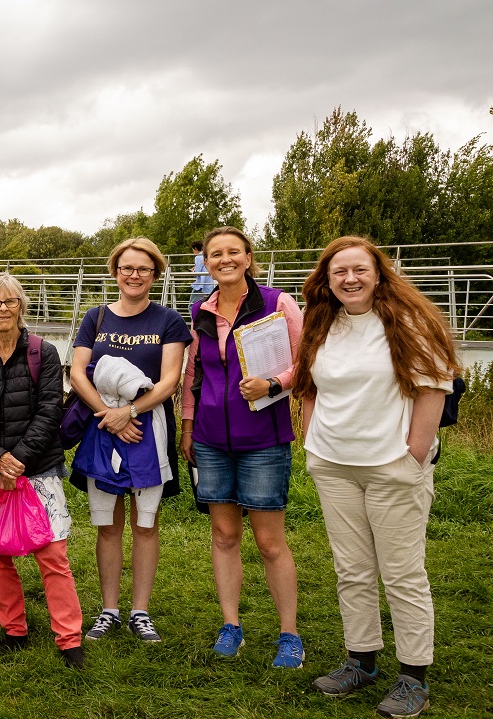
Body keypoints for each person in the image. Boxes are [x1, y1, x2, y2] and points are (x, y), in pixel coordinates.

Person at [295, 236, 459, 718]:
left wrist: (414, 454)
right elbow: (308, 388)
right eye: (339, 271)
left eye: (359, 270)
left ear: (378, 273)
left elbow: (434, 386)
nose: (350, 279)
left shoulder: (406, 321)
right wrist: (312, 443)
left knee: (403, 573)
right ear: (326, 279)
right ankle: (361, 660)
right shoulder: (321, 324)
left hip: (392, 467)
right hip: (334, 466)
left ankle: (413, 677)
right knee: (352, 569)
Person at [178, 227, 304, 667]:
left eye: (234, 252)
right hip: (211, 439)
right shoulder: (200, 312)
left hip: (264, 440)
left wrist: (274, 383)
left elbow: (304, 361)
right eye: (216, 254)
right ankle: (231, 624)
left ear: (249, 257)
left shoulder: (277, 304)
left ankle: (289, 634)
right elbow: (193, 376)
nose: (225, 259)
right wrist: (188, 427)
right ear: (207, 263)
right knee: (224, 534)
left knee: (270, 542)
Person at [0, 272, 84, 668]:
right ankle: (13, 630)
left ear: (22, 306)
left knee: (52, 552)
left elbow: (49, 411)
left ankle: (70, 637)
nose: (3, 309)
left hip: (37, 468)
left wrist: (18, 459)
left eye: (10, 301)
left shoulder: (43, 353)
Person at [69, 237, 190, 644]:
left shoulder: (168, 320)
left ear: (155, 274)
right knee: (107, 525)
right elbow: (78, 373)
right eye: (126, 268)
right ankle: (109, 609)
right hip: (104, 428)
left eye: (142, 269)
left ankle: (140, 611)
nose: (134, 275)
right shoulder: (96, 316)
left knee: (145, 524)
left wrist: (131, 412)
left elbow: (170, 380)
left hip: (147, 427)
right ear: (115, 272)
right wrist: (110, 416)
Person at [189, 239, 214, 308]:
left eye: (193, 249)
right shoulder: (207, 256)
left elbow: (197, 272)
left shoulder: (198, 257)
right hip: (209, 285)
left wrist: (193, 271)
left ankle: (194, 319)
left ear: (195, 248)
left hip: (201, 285)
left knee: (191, 306)